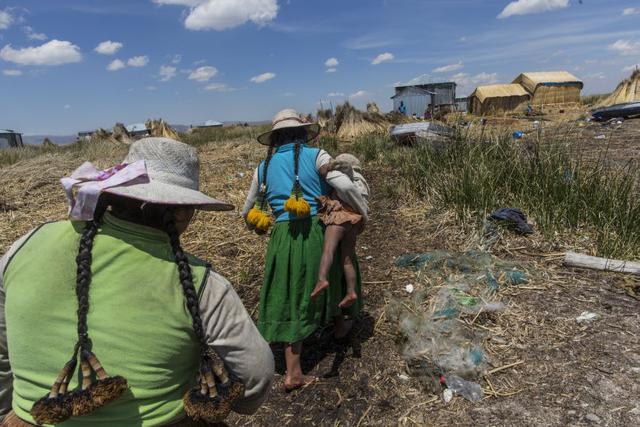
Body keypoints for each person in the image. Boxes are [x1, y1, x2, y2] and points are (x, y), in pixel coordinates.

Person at [0, 137, 274, 427]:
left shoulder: (24, 245)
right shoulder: (200, 282)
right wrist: (228, 404)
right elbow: (257, 371)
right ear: (182, 210)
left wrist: (8, 408)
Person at [242, 109, 367, 392]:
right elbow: (343, 184)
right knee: (335, 270)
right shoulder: (317, 156)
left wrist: (257, 227)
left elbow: (247, 211)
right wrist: (361, 211)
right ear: (302, 133)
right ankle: (330, 337)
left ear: (276, 138)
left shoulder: (262, 168)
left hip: (282, 238)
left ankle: (298, 364)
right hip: (316, 232)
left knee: (291, 290)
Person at [311, 154, 369, 308]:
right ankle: (351, 292)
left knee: (328, 250)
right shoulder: (362, 183)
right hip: (354, 220)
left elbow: (343, 179)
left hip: (341, 217)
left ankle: (322, 279)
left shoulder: (345, 178)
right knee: (347, 259)